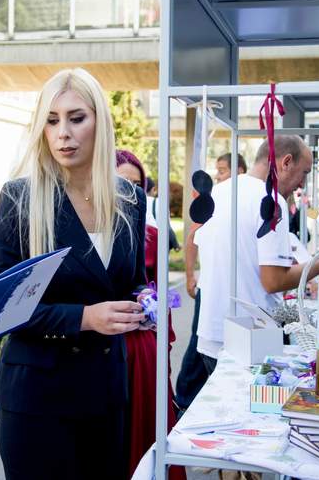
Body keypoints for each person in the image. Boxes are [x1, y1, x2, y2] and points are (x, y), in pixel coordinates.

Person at [0, 68, 146, 480]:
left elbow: (131, 280)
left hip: (106, 391)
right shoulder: (19, 198)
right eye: (52, 121)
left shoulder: (130, 198)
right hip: (38, 398)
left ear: (100, 123)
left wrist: (145, 302)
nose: (63, 134)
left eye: (76, 118)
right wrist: (85, 318)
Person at [195, 137, 319, 374]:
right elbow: (273, 280)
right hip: (251, 338)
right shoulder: (271, 201)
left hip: (212, 334)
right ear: (286, 162)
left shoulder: (220, 191)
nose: (302, 185)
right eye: (304, 173)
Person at [115, 150, 185, 480]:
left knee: (146, 431)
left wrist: (153, 304)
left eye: (137, 184)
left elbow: (162, 295)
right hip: (103, 349)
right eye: (121, 183)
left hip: (142, 348)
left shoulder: (152, 236)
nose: (130, 192)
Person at [176, 152, 247, 409]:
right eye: (217, 170)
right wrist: (190, 275)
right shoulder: (213, 200)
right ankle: (184, 397)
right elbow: (192, 238)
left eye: (223, 170)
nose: (218, 176)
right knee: (200, 341)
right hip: (210, 287)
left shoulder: (245, 201)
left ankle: (190, 396)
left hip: (232, 288)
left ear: (240, 171)